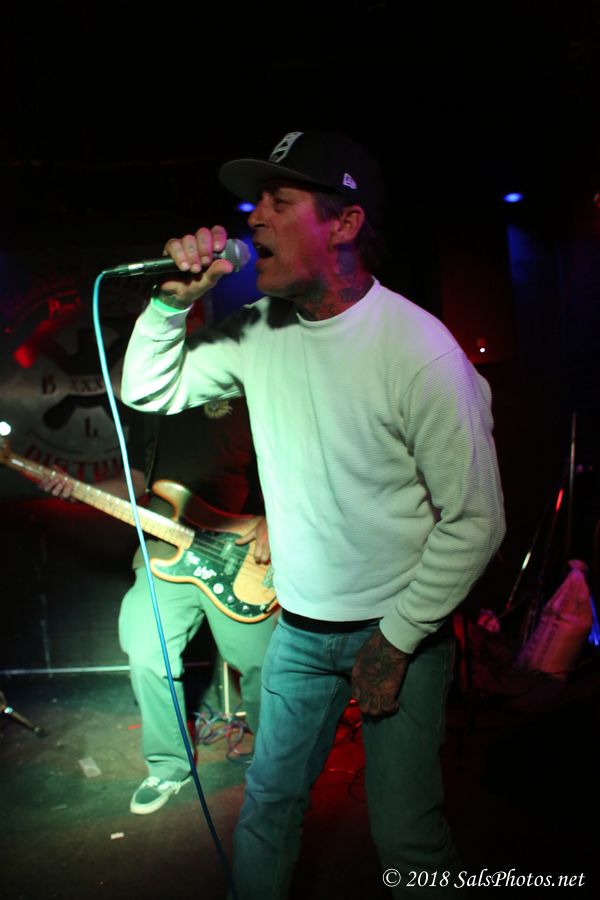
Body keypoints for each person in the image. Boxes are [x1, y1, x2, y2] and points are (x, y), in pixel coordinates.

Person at [120, 131, 506, 895]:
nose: (254, 216)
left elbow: (476, 520)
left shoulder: (419, 351)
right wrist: (169, 306)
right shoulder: (258, 330)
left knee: (407, 837)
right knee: (267, 807)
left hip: (400, 631)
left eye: (280, 200)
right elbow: (147, 390)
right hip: (298, 629)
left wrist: (396, 641)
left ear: (345, 224)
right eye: (255, 201)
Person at [40, 341, 276, 817]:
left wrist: (274, 519)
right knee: (144, 645)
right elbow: (137, 481)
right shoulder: (148, 406)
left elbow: (284, 461)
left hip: (237, 550)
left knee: (261, 663)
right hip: (166, 549)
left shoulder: (239, 387)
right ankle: (169, 766)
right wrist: (76, 488)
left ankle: (277, 764)